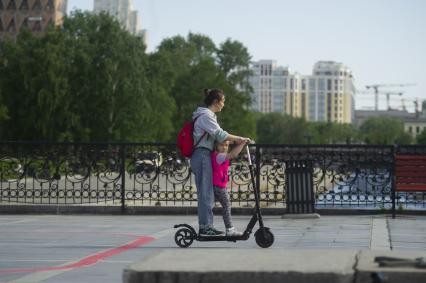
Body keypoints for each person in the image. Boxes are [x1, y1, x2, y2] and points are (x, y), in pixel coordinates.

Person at [191, 88, 250, 237]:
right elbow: (220, 135)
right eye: (223, 101)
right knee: (205, 194)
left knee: (208, 194)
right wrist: (239, 139)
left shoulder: (208, 116)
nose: (224, 105)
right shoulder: (205, 116)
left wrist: (238, 140)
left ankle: (207, 226)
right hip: (202, 155)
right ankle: (205, 228)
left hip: (204, 155)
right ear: (216, 102)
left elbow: (219, 136)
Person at [212, 140, 247, 236]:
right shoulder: (219, 156)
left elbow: (229, 143)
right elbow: (233, 154)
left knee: (223, 205)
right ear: (216, 146)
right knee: (227, 205)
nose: (224, 147)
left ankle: (227, 228)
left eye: (226, 145)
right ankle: (230, 229)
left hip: (219, 185)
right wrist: (243, 144)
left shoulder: (219, 155)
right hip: (218, 186)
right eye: (221, 145)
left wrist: (236, 141)